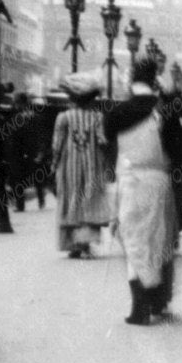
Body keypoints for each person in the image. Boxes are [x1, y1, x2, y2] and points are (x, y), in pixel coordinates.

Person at [103, 55, 182, 325]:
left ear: (131, 80)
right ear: (153, 80)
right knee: (160, 240)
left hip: (127, 179)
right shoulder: (164, 111)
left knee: (133, 240)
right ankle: (158, 300)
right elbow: (178, 150)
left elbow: (108, 147)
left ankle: (138, 305)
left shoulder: (117, 113)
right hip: (159, 180)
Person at [51, 73, 110, 257]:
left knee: (70, 199)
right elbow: (102, 141)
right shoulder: (97, 117)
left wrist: (54, 164)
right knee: (88, 200)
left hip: (70, 166)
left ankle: (73, 245)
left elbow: (57, 145)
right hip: (92, 165)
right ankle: (84, 243)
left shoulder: (64, 117)